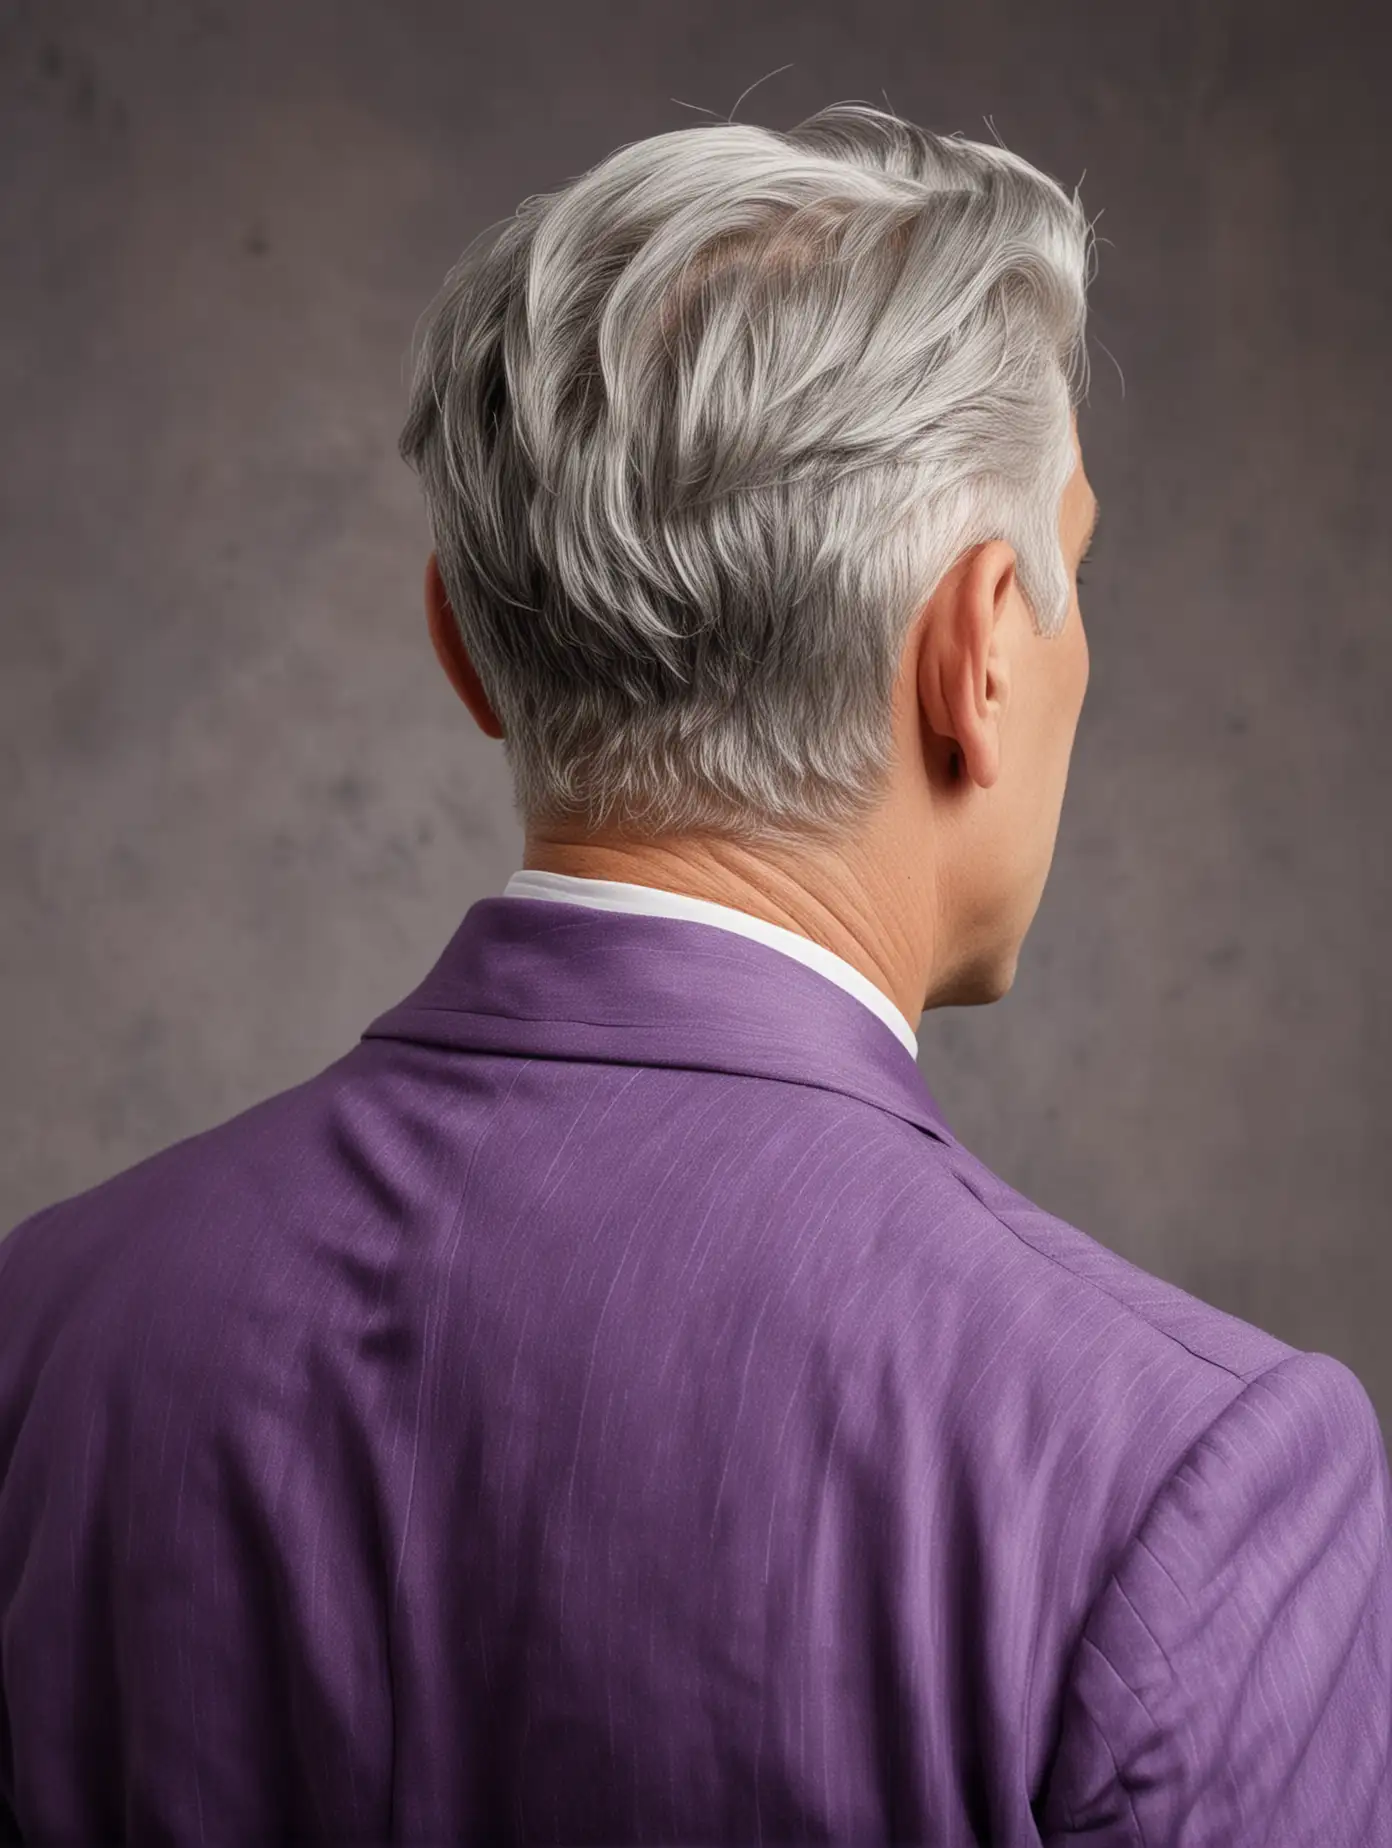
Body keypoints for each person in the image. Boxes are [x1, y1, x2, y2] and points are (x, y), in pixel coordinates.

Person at [1, 102, 1387, 1846]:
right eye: (1070, 575)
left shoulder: (44, 1334)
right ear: (976, 651)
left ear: (462, 648)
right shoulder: (1182, 1481)